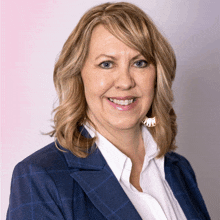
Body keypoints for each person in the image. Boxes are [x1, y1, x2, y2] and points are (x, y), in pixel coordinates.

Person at [7, 2, 210, 220]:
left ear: (157, 75)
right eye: (106, 64)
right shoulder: (40, 177)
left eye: (140, 63)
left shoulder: (179, 169)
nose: (125, 82)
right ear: (78, 74)